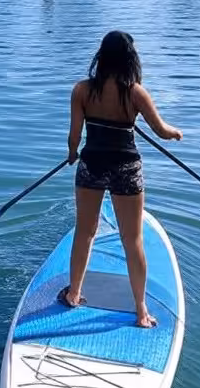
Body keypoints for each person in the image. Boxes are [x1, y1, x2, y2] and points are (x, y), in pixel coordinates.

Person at [65, 31, 182, 328]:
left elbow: (75, 137)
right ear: (130, 58)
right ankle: (141, 311)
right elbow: (161, 131)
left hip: (91, 164)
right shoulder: (135, 93)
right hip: (125, 168)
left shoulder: (81, 90)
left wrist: (71, 154)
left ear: (101, 56)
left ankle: (74, 294)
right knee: (133, 239)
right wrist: (176, 133)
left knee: (85, 232)